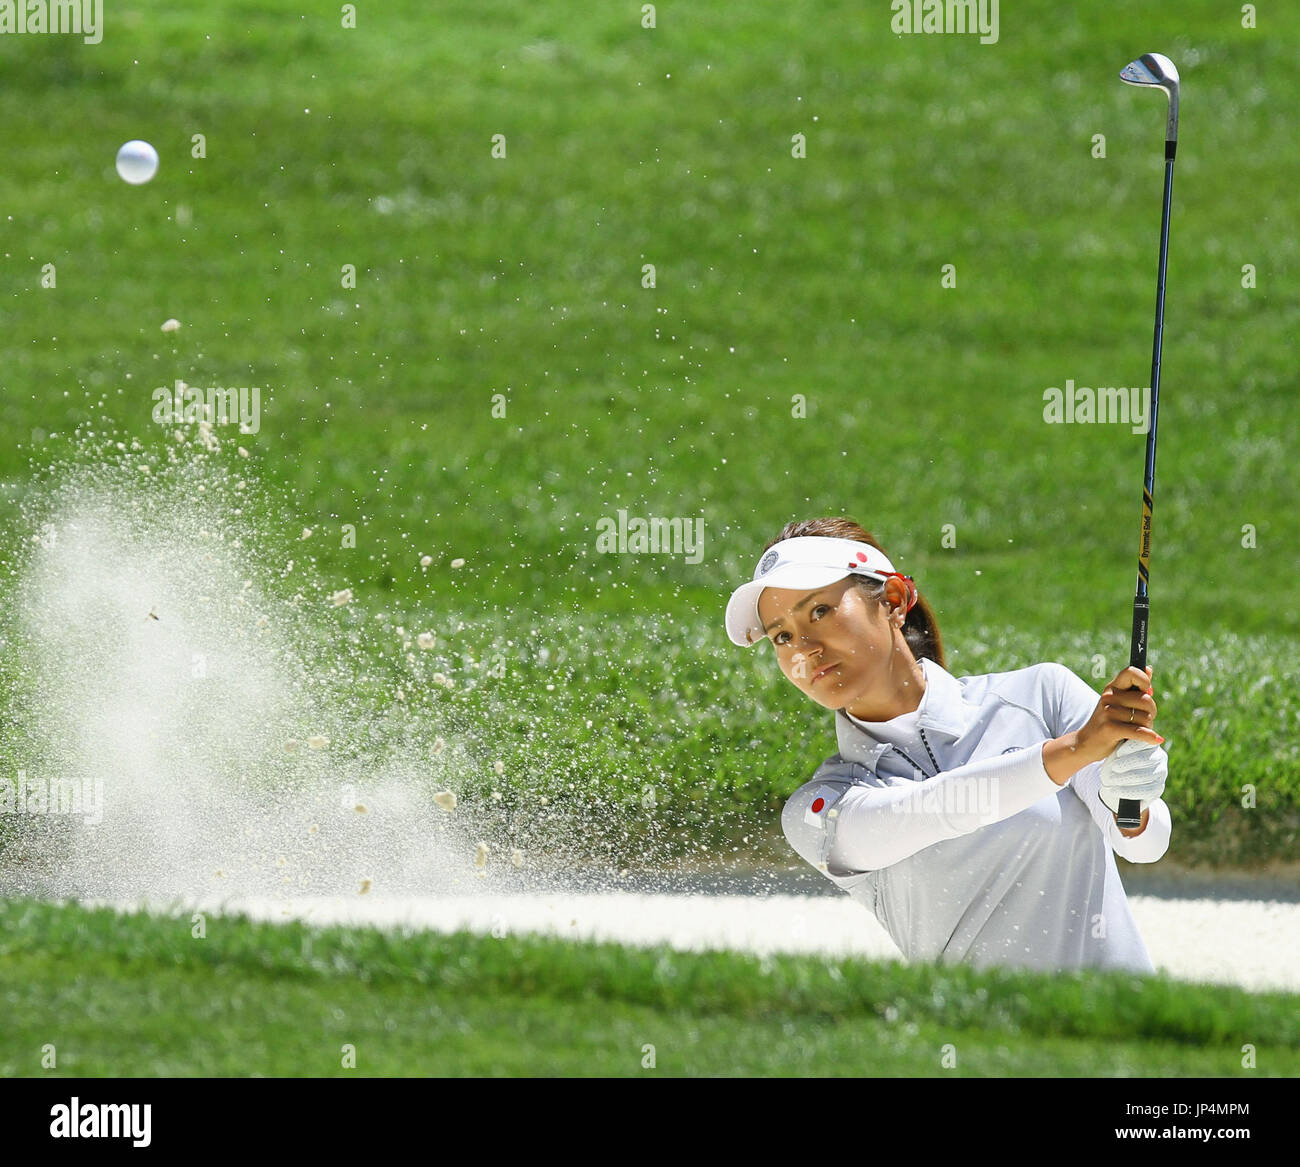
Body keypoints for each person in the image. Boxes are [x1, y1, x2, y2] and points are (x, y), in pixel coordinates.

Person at [724, 516, 1171, 975]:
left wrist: (1129, 791)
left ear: (894, 601)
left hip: (1129, 1032)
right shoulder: (820, 808)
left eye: (819, 611)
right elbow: (939, 808)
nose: (805, 649)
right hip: (977, 1042)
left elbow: (1146, 843)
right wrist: (1075, 750)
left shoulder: (1042, 697)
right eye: (782, 636)